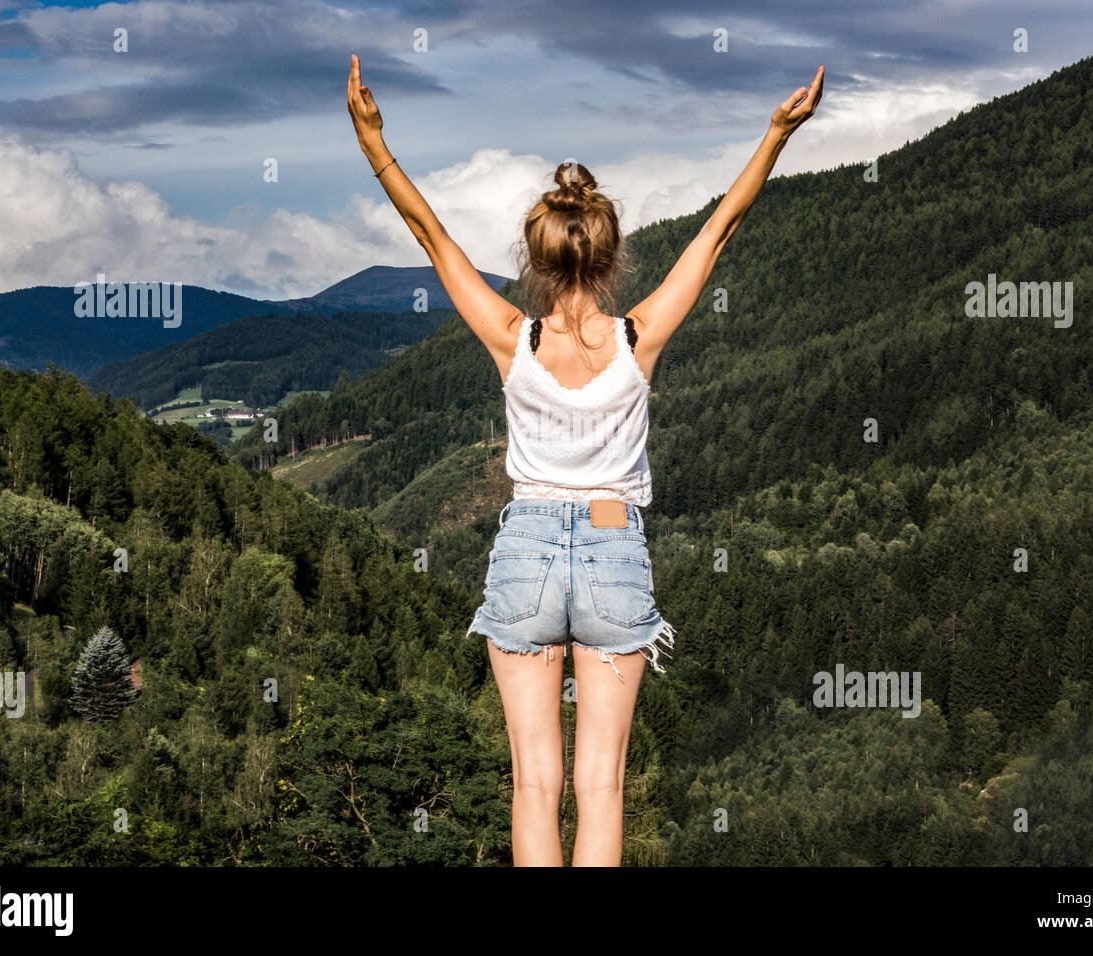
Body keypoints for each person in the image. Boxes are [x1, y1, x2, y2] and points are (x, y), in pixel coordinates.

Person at [346, 53, 823, 865]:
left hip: (527, 551)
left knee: (536, 782)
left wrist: (373, 141)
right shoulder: (640, 339)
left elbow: (431, 235)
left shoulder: (512, 339)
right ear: (609, 258)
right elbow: (718, 233)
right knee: (600, 784)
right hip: (613, 551)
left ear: (535, 261)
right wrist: (776, 134)